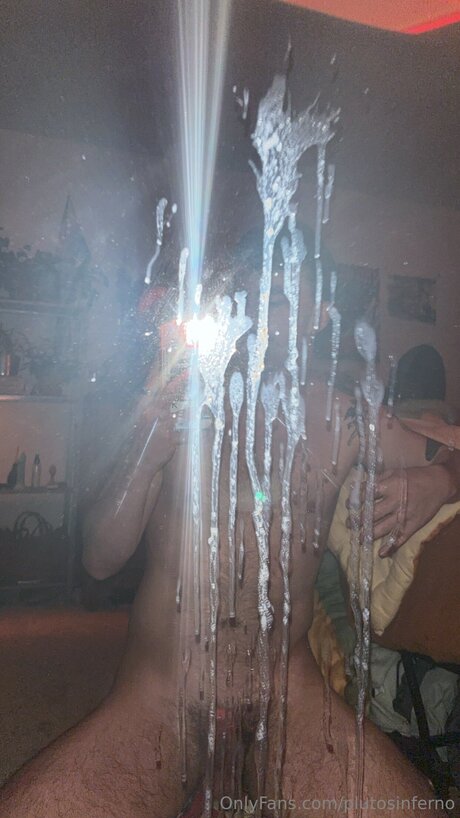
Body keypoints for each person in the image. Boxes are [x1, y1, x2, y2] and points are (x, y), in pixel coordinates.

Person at [1, 238, 459, 818]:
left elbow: (452, 451)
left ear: (318, 314)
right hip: (164, 693)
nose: (256, 315)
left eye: (278, 297)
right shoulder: (176, 404)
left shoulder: (342, 415)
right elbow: (99, 558)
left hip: (285, 692)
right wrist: (149, 446)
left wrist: (440, 480)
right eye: (246, 295)